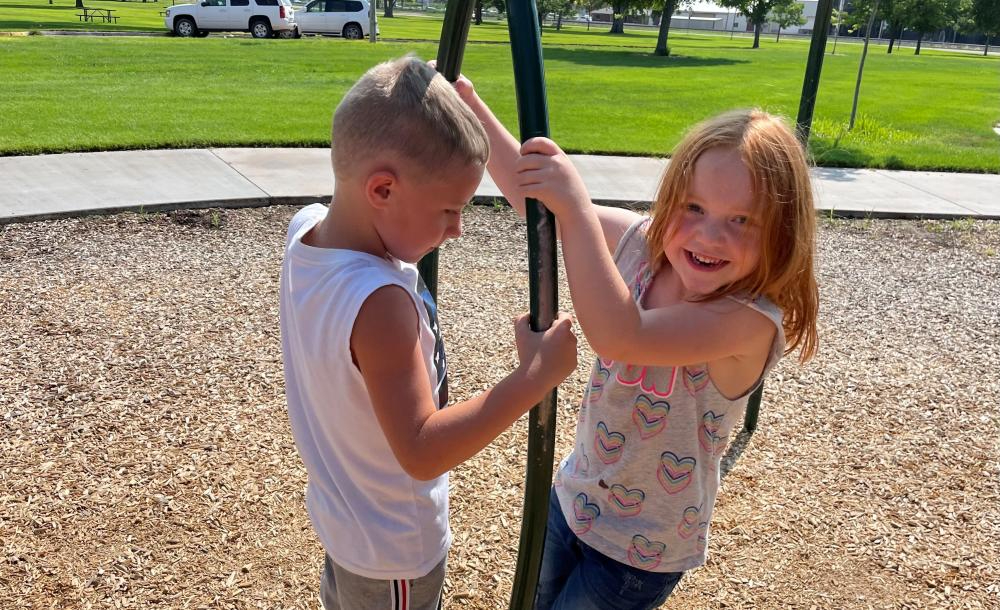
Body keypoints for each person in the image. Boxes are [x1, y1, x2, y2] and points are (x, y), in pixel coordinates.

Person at [457, 80, 819, 610]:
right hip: (574, 498)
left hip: (640, 552)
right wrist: (468, 102)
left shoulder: (747, 322)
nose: (708, 236)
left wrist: (576, 206)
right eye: (693, 207)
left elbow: (620, 336)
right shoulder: (647, 247)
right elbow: (533, 199)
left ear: (781, 233)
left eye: (740, 220)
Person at [279, 56, 578, 610]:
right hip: (393, 550)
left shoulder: (307, 230)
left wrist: (428, 87)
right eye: (449, 209)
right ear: (383, 190)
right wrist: (533, 377)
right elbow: (420, 449)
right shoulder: (379, 305)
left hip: (346, 522)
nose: (457, 229)